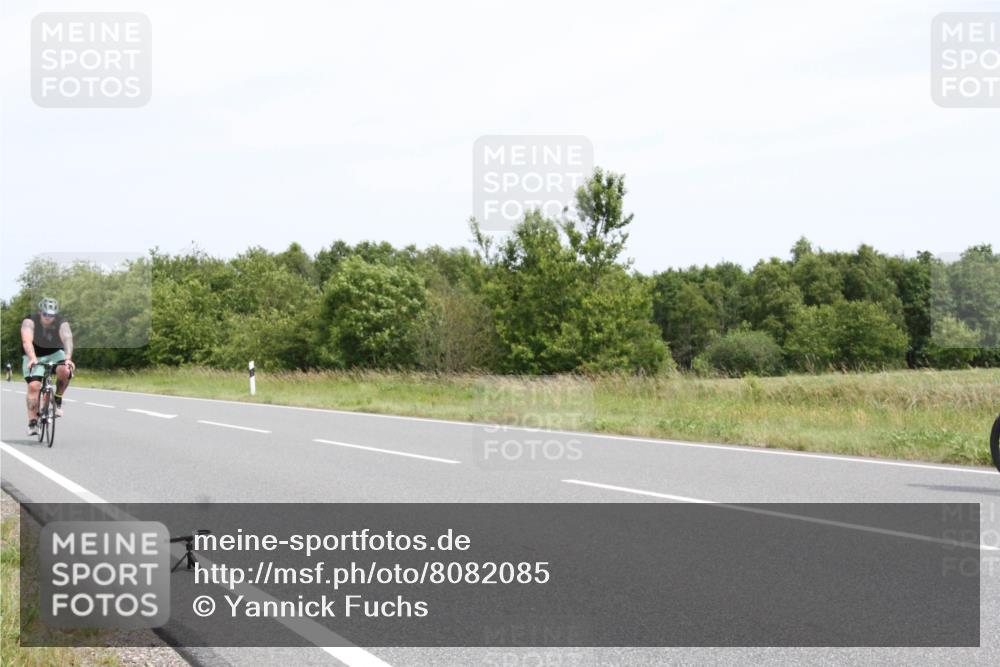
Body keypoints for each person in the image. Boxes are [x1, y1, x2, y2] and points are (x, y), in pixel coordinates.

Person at [21, 297, 75, 436]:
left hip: (55, 352)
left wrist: (68, 359)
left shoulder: (61, 322)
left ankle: (57, 398)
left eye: (52, 315)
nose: (48, 318)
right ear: (40, 312)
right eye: (45, 314)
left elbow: (67, 338)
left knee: (65, 369)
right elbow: (27, 341)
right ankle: (32, 422)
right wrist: (33, 358)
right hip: (34, 354)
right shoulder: (29, 321)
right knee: (34, 386)